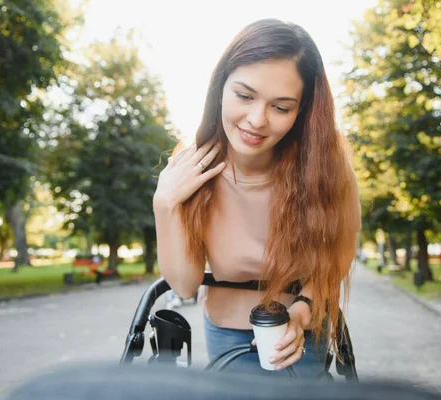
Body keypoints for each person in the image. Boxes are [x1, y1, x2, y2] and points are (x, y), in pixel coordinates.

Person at [153, 18, 361, 378]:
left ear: (303, 111)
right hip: (225, 331)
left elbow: (336, 256)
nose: (256, 120)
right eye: (244, 96)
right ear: (220, 86)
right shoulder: (189, 168)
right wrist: (165, 203)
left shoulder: (328, 170)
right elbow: (184, 285)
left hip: (304, 328)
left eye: (280, 107)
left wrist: (301, 312)